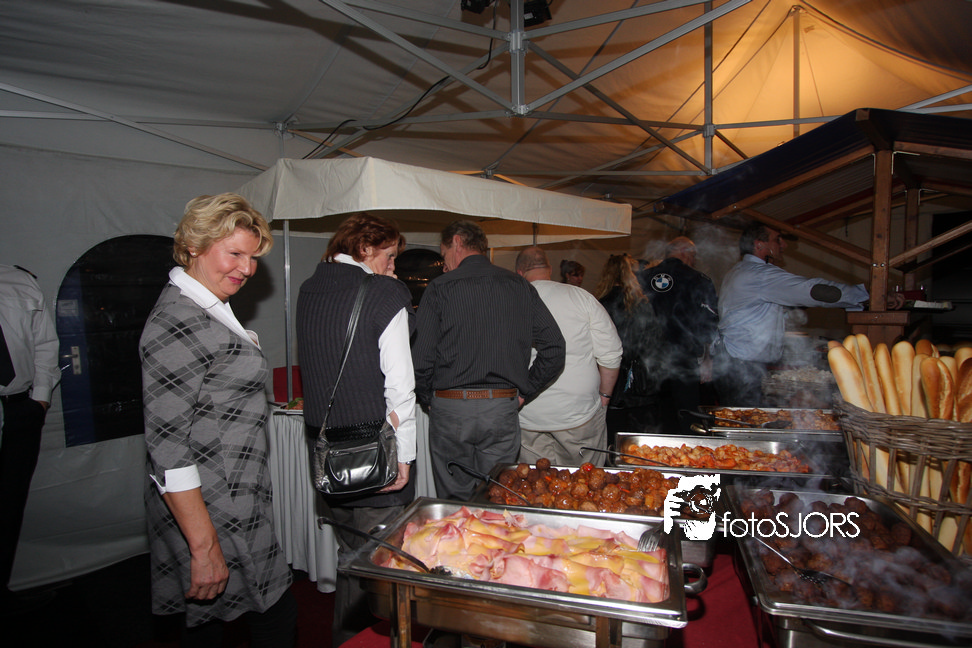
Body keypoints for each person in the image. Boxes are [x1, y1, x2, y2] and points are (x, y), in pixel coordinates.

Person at [139, 193, 296, 647]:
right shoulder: (178, 321)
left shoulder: (207, 303)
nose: (246, 269)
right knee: (271, 615)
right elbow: (167, 446)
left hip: (231, 493)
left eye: (253, 257)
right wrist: (203, 544)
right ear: (194, 246)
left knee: (210, 619)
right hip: (214, 504)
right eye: (235, 254)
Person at [295, 212, 416, 647]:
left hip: (327, 453)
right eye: (389, 255)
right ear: (364, 248)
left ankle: (346, 637)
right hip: (374, 452)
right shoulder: (385, 292)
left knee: (350, 553)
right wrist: (405, 456)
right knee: (382, 564)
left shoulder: (308, 288)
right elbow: (400, 385)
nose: (393, 265)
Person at [412, 221, 565, 500]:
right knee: (496, 495)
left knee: (455, 501)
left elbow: (420, 359)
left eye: (444, 254)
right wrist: (524, 392)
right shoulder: (519, 286)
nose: (444, 264)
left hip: (450, 408)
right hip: (500, 408)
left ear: (457, 242)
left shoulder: (440, 288)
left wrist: (429, 399)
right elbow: (554, 348)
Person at [714, 224, 870, 406]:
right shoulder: (759, 275)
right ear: (759, 244)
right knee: (747, 419)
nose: (784, 245)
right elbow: (813, 291)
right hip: (742, 368)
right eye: (777, 240)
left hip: (734, 364)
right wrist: (864, 296)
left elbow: (768, 313)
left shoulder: (739, 271)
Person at [515, 247, 622, 466]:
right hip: (578, 411)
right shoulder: (581, 297)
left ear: (519, 272)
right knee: (585, 480)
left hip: (527, 413)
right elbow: (611, 354)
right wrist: (605, 396)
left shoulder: (508, 301)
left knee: (536, 481)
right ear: (550, 269)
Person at [0, 264, 60, 611]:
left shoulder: (17, 280)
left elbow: (44, 344)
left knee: (9, 506)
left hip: (19, 409)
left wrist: (39, 399)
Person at [640, 236, 719, 433]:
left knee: (650, 416)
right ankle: (686, 448)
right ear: (685, 252)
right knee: (687, 414)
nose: (694, 260)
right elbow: (709, 322)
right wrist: (707, 357)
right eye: (694, 255)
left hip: (647, 359)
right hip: (683, 357)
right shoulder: (698, 279)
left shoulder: (641, 278)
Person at [593, 254, 661, 442]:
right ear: (631, 275)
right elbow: (654, 343)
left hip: (609, 381)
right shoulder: (642, 304)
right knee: (639, 443)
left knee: (611, 438)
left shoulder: (599, 304)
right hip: (641, 383)